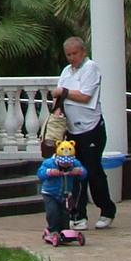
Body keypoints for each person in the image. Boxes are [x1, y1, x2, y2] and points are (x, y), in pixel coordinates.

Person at [50, 36, 116, 230]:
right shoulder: (66, 72)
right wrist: (57, 109)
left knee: (92, 171)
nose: (72, 58)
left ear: (83, 52)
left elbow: (85, 96)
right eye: (68, 55)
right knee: (74, 172)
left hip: (91, 129)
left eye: (75, 53)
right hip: (71, 131)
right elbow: (58, 97)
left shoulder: (91, 68)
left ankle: (106, 210)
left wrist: (63, 91)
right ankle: (78, 214)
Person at [36, 139, 87, 246]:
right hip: (50, 193)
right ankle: (53, 230)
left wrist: (79, 171)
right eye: (63, 162)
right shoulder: (49, 163)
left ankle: (65, 230)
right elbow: (40, 173)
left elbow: (84, 174)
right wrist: (50, 172)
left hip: (66, 193)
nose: (66, 164)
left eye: (68, 162)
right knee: (53, 212)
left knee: (65, 212)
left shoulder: (75, 163)